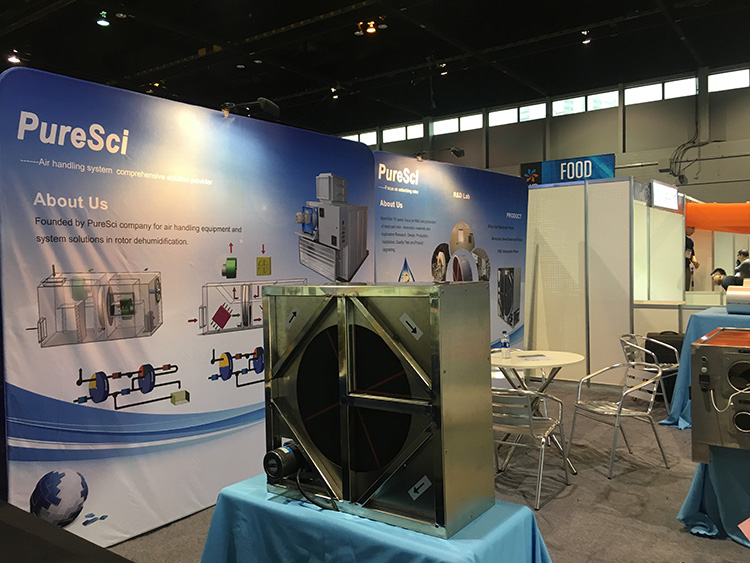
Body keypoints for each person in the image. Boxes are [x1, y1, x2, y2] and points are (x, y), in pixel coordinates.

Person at [685, 226, 700, 291]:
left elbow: (691, 254)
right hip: (675, 267)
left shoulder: (690, 241)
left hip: (686, 267)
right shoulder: (676, 239)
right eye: (692, 228)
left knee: (686, 287)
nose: (693, 231)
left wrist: (695, 262)